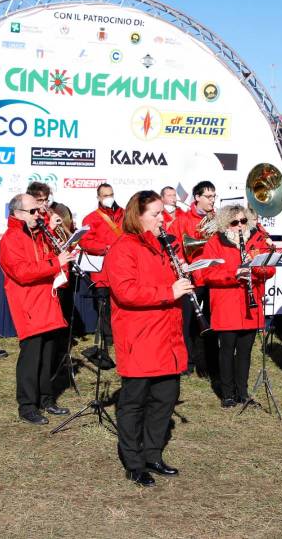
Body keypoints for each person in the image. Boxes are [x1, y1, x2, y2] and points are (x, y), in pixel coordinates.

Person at [104, 190, 192, 487]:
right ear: (137, 216)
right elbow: (126, 292)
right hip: (140, 335)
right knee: (134, 401)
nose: (161, 219)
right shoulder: (124, 248)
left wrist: (187, 275)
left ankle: (153, 453)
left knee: (164, 399)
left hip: (167, 334)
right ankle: (134, 461)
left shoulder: (163, 245)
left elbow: (171, 280)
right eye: (155, 214)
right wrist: (169, 292)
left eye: (161, 213)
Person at [0, 193, 74, 425]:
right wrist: (56, 263)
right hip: (28, 303)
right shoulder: (10, 238)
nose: (38, 215)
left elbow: (48, 257)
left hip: (46, 300)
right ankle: (27, 405)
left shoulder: (38, 233)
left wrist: (54, 239)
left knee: (48, 352)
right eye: (33, 212)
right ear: (17, 214)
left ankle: (45, 398)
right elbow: (22, 272)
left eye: (39, 211)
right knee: (31, 357)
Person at [195, 206, 275, 407]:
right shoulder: (215, 242)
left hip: (250, 304)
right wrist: (234, 274)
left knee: (245, 351)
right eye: (234, 222)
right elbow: (208, 274)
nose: (240, 226)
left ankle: (243, 392)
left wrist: (255, 265)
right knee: (227, 350)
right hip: (226, 304)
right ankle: (227, 393)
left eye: (243, 221)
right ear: (225, 224)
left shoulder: (257, 240)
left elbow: (270, 269)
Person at [170, 180, 218, 377]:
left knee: (210, 323)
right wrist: (181, 262)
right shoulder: (182, 219)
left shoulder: (217, 218)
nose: (212, 200)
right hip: (192, 276)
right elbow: (172, 244)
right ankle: (187, 362)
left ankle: (207, 363)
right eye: (208, 196)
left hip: (212, 277)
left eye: (214, 196)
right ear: (197, 197)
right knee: (187, 323)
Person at [80, 183, 124, 369]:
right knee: (103, 306)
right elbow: (85, 241)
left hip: (123, 267)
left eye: (111, 194)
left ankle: (121, 332)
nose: (109, 197)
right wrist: (105, 247)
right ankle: (108, 337)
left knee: (122, 301)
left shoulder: (125, 214)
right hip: (103, 269)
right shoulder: (91, 218)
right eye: (105, 195)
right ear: (98, 197)